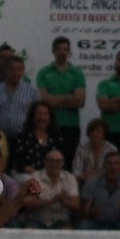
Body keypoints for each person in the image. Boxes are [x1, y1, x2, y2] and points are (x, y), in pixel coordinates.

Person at [36, 36, 87, 165]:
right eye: (59, 49)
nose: (62, 52)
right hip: (49, 126)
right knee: (47, 161)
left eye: (65, 49)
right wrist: (68, 96)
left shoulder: (77, 73)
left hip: (71, 126)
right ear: (53, 51)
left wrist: (55, 99)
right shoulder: (44, 73)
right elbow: (45, 101)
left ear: (69, 52)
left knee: (69, 162)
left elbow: (80, 101)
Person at [19, 148, 78, 229]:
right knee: (27, 232)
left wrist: (64, 200)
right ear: (45, 162)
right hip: (37, 221)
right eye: (51, 160)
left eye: (58, 161)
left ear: (63, 163)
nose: (54, 164)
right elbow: (27, 203)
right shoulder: (35, 177)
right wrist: (52, 200)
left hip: (62, 222)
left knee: (68, 234)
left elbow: (76, 205)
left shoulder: (70, 178)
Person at [79, 150, 120, 230]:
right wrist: (91, 211)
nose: (113, 167)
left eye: (116, 163)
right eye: (109, 163)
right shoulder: (91, 183)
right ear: (104, 166)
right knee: (84, 226)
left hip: (118, 223)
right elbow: (83, 214)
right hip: (96, 222)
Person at [0, 55, 40, 141]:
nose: (15, 73)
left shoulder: (32, 90)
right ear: (6, 70)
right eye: (12, 69)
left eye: (19, 69)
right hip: (0, 139)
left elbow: (36, 115)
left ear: (23, 71)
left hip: (24, 138)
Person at [11, 101, 62, 175]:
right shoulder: (23, 137)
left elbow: (60, 160)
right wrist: (38, 175)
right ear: (32, 116)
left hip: (52, 175)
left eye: (45, 114)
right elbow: (20, 162)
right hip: (28, 175)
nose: (42, 117)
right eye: (39, 114)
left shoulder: (56, 137)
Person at [71, 118, 118, 186]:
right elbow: (76, 172)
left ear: (104, 134)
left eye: (98, 131)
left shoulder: (111, 149)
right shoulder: (81, 149)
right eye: (92, 131)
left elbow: (116, 172)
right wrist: (87, 177)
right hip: (85, 184)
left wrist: (96, 175)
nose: (94, 133)